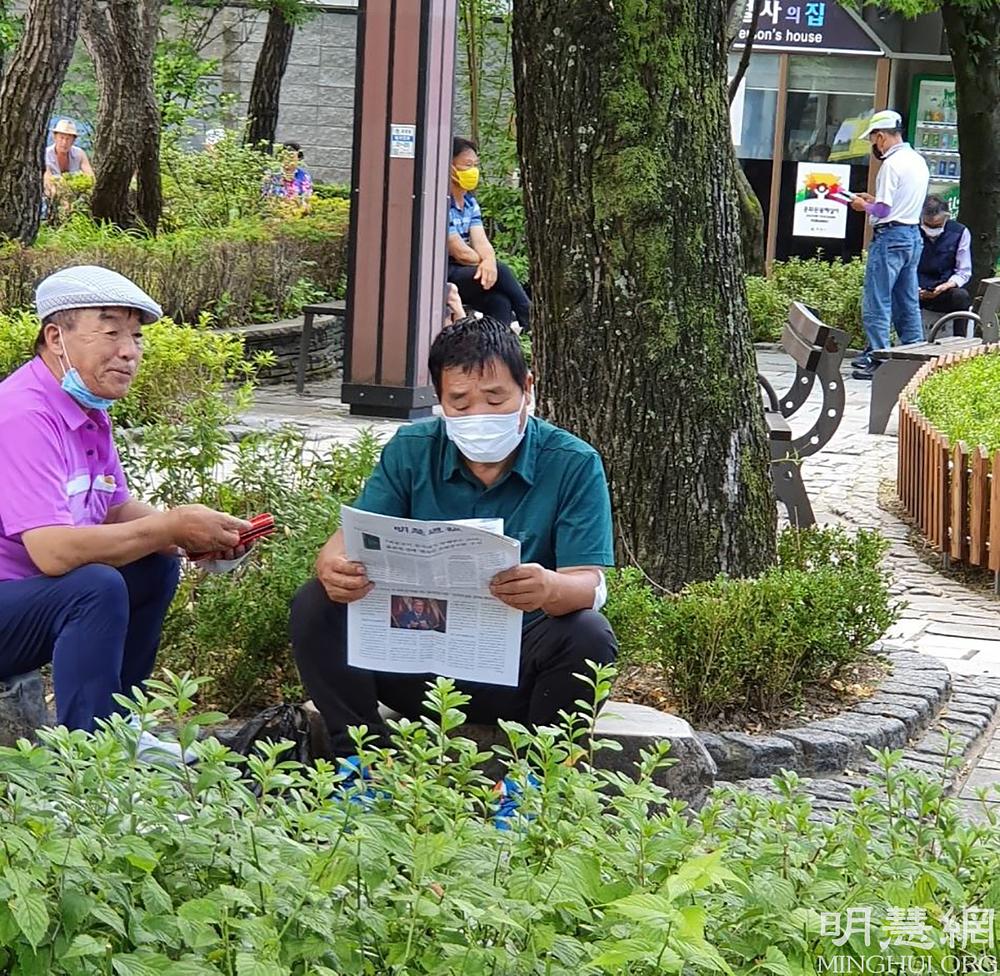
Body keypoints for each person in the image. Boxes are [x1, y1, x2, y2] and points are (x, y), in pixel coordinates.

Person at [290, 316, 617, 763]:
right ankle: (361, 760)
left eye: (496, 398)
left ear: (528, 388)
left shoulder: (573, 462)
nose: (479, 415)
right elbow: (352, 534)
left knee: (588, 634)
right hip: (412, 667)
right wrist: (332, 564)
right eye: (460, 404)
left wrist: (548, 589)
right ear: (439, 400)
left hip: (513, 673)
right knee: (316, 603)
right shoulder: (413, 449)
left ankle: (539, 774)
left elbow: (589, 583)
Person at [0, 266, 251, 752]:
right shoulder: (23, 414)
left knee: (153, 564)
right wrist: (169, 526)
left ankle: (118, 726)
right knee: (93, 588)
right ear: (56, 337)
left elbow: (114, 509)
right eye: (110, 330)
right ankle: (91, 759)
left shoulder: (87, 409)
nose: (129, 350)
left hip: (23, 599)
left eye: (135, 336)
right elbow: (52, 553)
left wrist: (187, 533)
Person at [849, 110, 929, 380]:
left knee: (877, 299)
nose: (874, 146)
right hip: (912, 236)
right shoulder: (917, 161)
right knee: (907, 300)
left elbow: (882, 210)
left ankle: (878, 356)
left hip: (889, 238)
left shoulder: (891, 165)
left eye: (873, 139)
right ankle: (914, 353)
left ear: (881, 136)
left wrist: (863, 205)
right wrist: (873, 200)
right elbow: (898, 203)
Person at [446, 138, 531, 331]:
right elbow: (459, 251)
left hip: (469, 271)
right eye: (467, 165)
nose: (473, 171)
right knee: (500, 271)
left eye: (476, 165)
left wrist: (489, 260)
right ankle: (531, 320)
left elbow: (481, 240)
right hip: (448, 271)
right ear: (450, 167)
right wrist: (489, 265)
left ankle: (496, 348)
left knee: (499, 301)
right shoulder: (441, 202)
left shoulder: (469, 202)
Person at [918, 195, 973, 333]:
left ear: (946, 218)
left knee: (961, 297)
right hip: (913, 290)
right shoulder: (912, 230)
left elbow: (963, 271)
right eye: (928, 225)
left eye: (936, 225)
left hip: (943, 289)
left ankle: (959, 340)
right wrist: (914, 288)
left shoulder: (959, 232)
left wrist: (946, 286)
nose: (931, 230)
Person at [43, 119, 94, 198]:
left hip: (76, 197)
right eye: (61, 138)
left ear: (73, 140)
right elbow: (47, 181)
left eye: (68, 139)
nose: (64, 142)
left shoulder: (79, 154)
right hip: (50, 198)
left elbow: (91, 178)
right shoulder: (45, 155)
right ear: (55, 137)